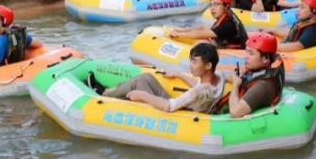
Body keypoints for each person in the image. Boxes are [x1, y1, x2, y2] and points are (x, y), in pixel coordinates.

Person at [96, 42, 225, 114]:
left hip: (178, 112)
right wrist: (179, 74)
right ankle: (111, 93)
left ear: (208, 65)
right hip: (187, 106)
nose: (190, 66)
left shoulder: (197, 92)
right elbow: (200, 85)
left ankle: (103, 95)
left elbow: (168, 106)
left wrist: (141, 95)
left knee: (138, 84)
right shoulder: (219, 79)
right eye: (191, 61)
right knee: (146, 77)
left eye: (194, 62)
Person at [210, 32, 285, 118]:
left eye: (251, 53)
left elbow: (235, 112)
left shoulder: (263, 86)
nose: (246, 57)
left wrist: (235, 85)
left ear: (265, 59)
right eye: (246, 52)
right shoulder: (260, 71)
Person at [169, 0, 248, 48]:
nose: (212, 8)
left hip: (234, 52)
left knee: (201, 44)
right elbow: (204, 29)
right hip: (226, 44)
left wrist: (179, 35)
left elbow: (200, 34)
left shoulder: (228, 24)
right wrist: (182, 30)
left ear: (226, 6)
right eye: (211, 5)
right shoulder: (225, 17)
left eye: (216, 4)